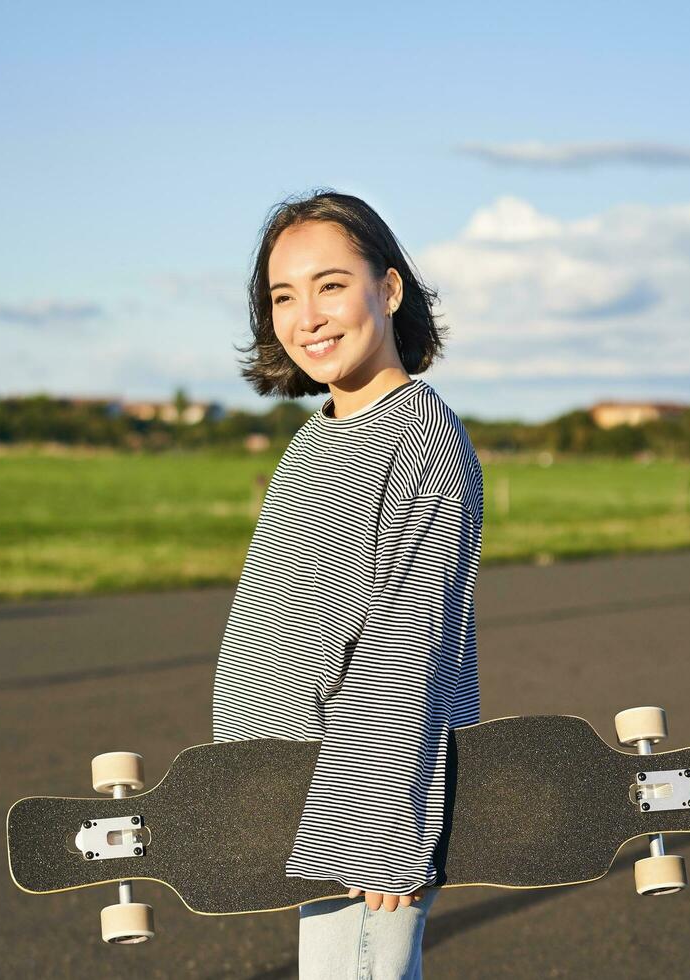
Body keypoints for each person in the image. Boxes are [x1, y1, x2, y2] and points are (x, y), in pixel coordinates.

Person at [209, 190, 482, 979]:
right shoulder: (314, 441)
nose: (307, 317)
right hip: (294, 790)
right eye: (283, 296)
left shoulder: (420, 437)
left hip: (359, 802)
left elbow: (408, 643)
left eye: (330, 284)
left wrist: (376, 823)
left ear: (388, 290)